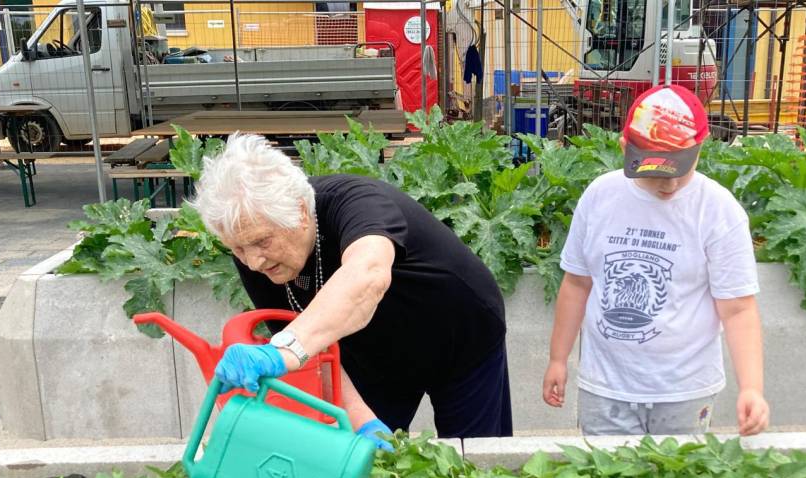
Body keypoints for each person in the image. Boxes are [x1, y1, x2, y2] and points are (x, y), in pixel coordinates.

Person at [192, 134, 512, 449]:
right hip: (372, 352)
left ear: (302, 212)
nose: (253, 261)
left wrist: (284, 350)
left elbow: (367, 276)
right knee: (362, 460)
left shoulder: (356, 202)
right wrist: (364, 423)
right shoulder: (256, 254)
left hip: (460, 335)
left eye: (262, 241)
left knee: (474, 460)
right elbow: (316, 353)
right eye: (237, 248)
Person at [542, 84, 770, 437]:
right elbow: (577, 283)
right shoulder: (601, 196)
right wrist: (558, 358)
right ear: (625, 150)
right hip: (606, 387)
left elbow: (738, 308)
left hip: (684, 391)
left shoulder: (718, 211)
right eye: (657, 172)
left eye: (683, 168)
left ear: (701, 147)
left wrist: (751, 387)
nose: (672, 184)